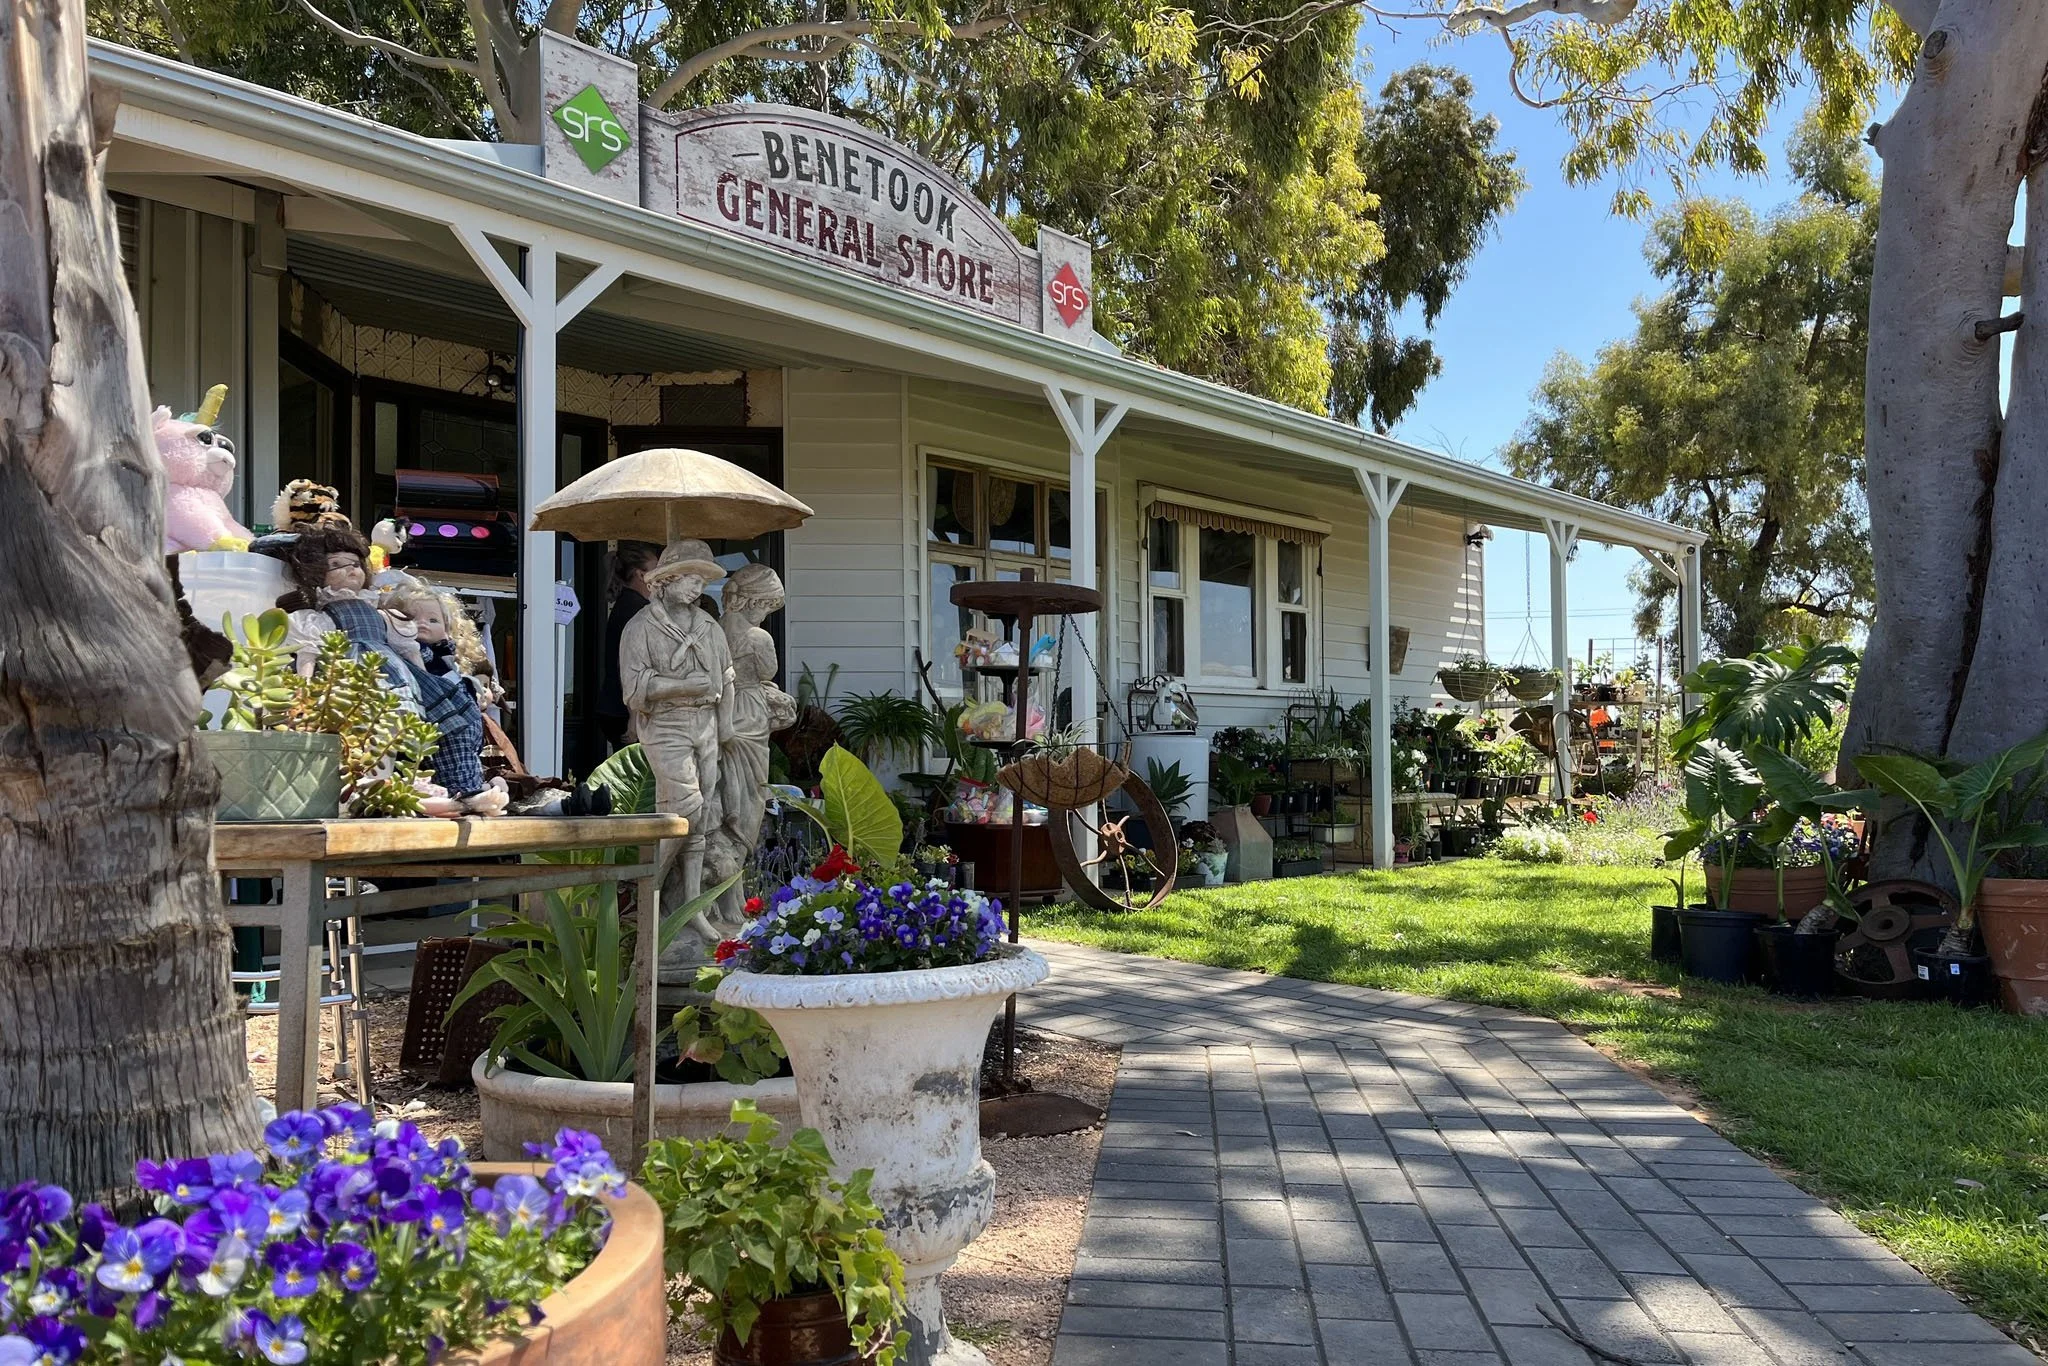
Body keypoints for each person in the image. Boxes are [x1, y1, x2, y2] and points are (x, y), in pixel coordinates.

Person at [596, 542, 658, 749]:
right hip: (624, 709)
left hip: (615, 706)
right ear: (641, 574)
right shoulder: (636, 610)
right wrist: (635, 715)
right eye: (656, 570)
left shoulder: (627, 604)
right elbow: (629, 665)